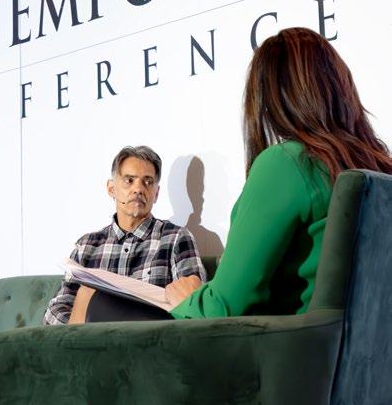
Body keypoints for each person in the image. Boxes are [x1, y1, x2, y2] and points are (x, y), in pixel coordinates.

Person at [165, 27, 392, 318]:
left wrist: (187, 300)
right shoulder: (378, 167)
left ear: (269, 98)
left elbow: (223, 309)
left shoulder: (286, 163)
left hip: (289, 346)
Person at [44, 145, 206, 324]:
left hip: (150, 335)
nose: (138, 189)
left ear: (156, 194)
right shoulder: (87, 246)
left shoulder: (176, 238)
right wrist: (77, 327)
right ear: (111, 189)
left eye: (148, 182)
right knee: (86, 294)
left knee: (88, 294)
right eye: (129, 180)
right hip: (91, 338)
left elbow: (193, 304)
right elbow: (55, 310)